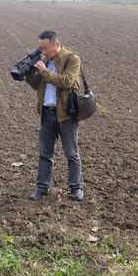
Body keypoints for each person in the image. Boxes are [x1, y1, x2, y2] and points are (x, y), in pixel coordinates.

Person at [25, 30, 84, 202]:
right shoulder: (45, 61)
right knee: (45, 153)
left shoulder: (72, 59)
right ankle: (41, 188)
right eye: (40, 48)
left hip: (66, 114)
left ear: (55, 45)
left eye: (45, 48)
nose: (42, 51)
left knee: (71, 153)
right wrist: (29, 71)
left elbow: (67, 81)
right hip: (47, 113)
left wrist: (44, 71)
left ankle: (76, 188)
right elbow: (38, 85)